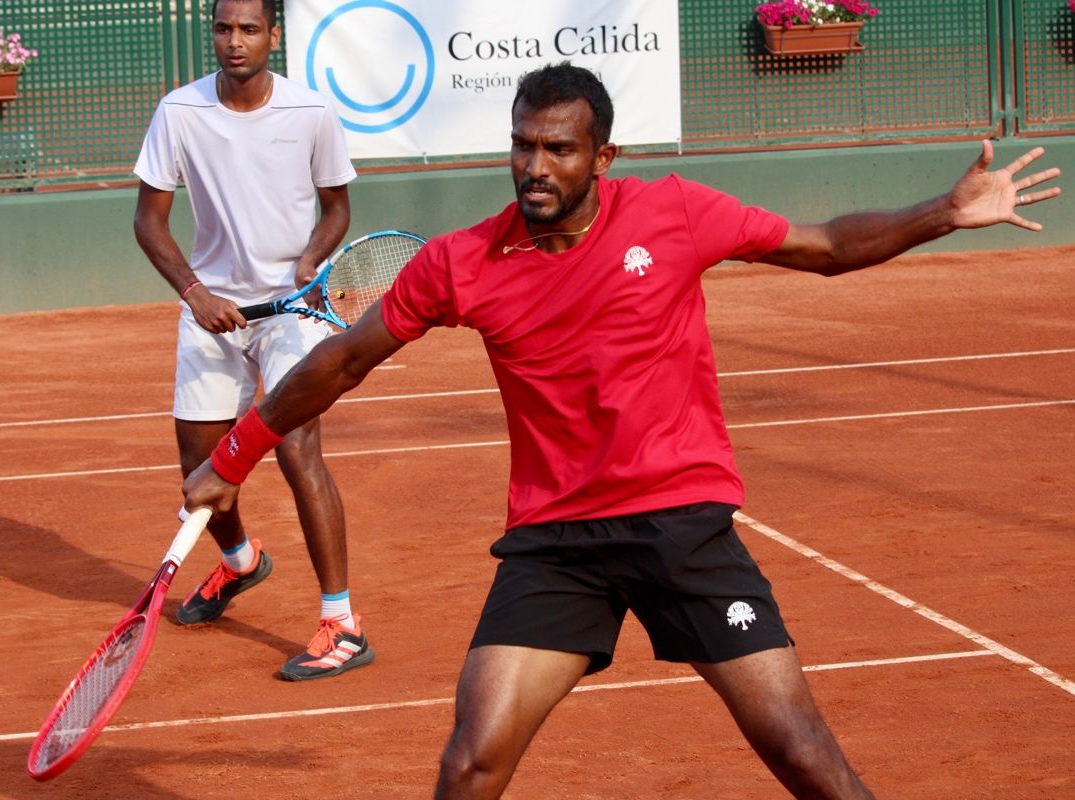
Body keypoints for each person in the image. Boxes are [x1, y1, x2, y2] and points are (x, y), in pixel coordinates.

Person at [182, 63, 1060, 796]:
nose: (535, 166)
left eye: (558, 149)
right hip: (556, 542)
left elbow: (824, 244)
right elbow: (340, 364)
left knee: (800, 751)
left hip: (681, 521)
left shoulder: (671, 212)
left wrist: (943, 213)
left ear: (603, 156)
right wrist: (234, 454)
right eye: (522, 145)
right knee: (471, 761)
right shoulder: (463, 262)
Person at [132, 0, 374, 682]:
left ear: (274, 35)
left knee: (298, 447)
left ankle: (343, 623)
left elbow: (337, 209)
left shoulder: (310, 114)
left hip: (292, 311)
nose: (233, 42)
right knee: (199, 468)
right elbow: (149, 221)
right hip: (212, 308)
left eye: (248, 29)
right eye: (222, 28)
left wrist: (310, 261)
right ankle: (240, 562)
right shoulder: (179, 113)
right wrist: (195, 293)